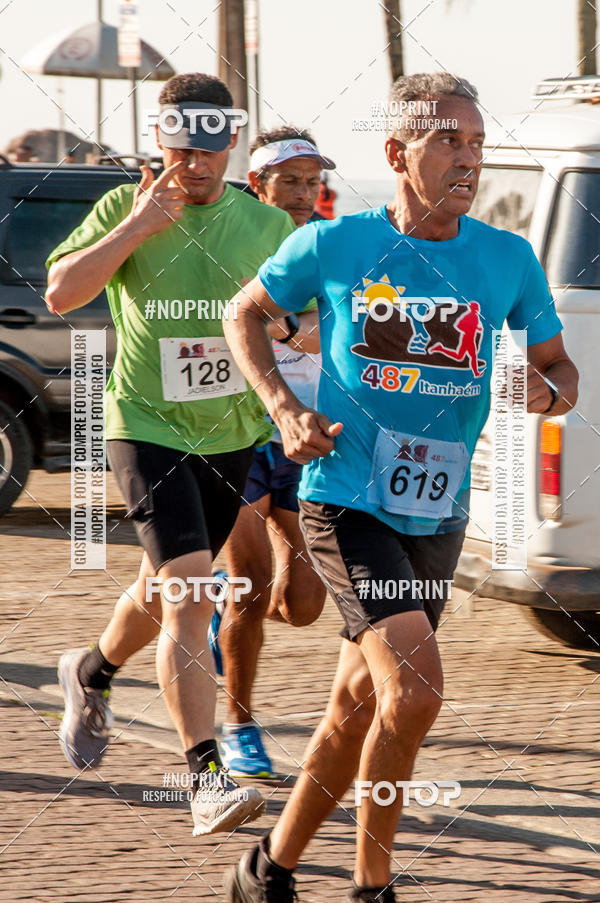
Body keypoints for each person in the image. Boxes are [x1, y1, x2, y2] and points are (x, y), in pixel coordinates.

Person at [222, 72, 579, 901]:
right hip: (346, 498)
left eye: (478, 142)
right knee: (414, 690)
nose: (469, 158)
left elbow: (561, 368)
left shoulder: (507, 257)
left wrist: (548, 389)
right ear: (397, 152)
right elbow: (243, 312)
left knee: (357, 709)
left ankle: (267, 866)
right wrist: (281, 405)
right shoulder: (333, 245)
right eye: (448, 140)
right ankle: (371, 887)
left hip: (438, 512)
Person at [44, 72, 296, 836]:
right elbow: (59, 292)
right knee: (193, 593)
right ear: (159, 138)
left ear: (232, 143)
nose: (196, 161)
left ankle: (91, 671)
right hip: (143, 425)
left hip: (230, 433)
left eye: (213, 144)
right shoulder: (124, 206)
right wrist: (135, 231)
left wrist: (281, 332)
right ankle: (205, 777)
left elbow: (309, 320)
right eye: (182, 144)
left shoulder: (266, 226)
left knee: (164, 586)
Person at [215, 128, 335, 778]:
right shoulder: (232, 240)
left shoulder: (330, 248)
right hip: (239, 430)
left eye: (312, 181)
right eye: (289, 180)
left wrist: (298, 328)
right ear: (257, 184)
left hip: (308, 437)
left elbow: (336, 330)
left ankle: (219, 609)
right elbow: (227, 320)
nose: (302, 193)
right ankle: (238, 723)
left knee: (303, 604)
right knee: (251, 587)